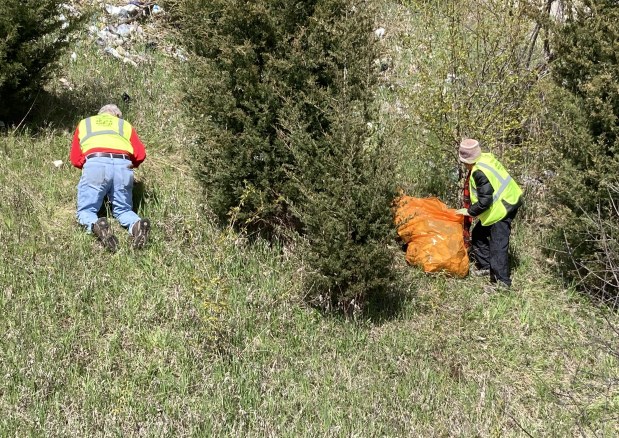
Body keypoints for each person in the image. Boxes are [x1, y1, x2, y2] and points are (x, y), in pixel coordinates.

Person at [70, 104, 150, 252]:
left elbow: (75, 158)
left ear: (100, 114)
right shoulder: (124, 125)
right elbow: (141, 154)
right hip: (123, 165)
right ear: (118, 116)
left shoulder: (85, 123)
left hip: (96, 162)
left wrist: (88, 167)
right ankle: (137, 225)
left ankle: (97, 225)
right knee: (123, 210)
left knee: (86, 210)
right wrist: (130, 165)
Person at [455, 138, 522, 290]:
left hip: (504, 207)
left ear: (466, 161)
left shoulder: (479, 172)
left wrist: (469, 211)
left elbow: (485, 202)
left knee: (498, 245)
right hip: (509, 199)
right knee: (478, 234)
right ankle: (486, 266)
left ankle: (502, 283)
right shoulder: (485, 158)